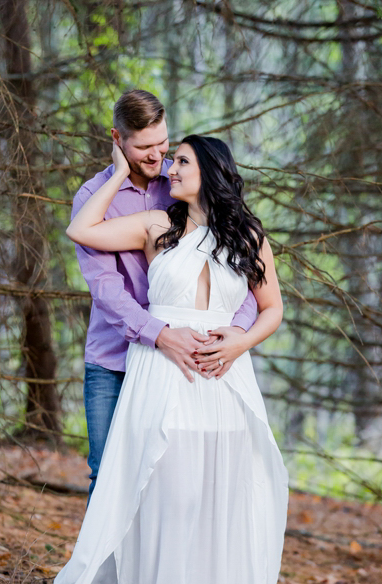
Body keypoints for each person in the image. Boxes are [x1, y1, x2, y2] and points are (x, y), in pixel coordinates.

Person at [41, 133, 288, 584]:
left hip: (222, 375)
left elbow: (272, 309)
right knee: (168, 489)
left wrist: (238, 343)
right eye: (170, 160)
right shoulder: (157, 227)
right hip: (160, 368)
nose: (170, 169)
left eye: (181, 161)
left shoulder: (247, 234)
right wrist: (114, 174)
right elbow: (80, 228)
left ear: (212, 172)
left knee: (216, 491)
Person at [73, 90, 261, 502]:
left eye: (164, 144)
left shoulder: (180, 184)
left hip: (183, 360)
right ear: (117, 139)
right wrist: (158, 333)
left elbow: (239, 273)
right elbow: (106, 289)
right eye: (144, 147)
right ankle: (107, 569)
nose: (158, 156)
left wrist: (233, 332)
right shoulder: (94, 198)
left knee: (168, 476)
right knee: (107, 474)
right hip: (115, 359)